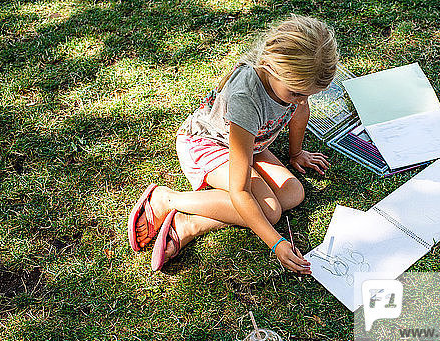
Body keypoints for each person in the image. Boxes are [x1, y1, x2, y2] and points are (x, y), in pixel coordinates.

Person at [127, 15, 339, 273]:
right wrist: (276, 243)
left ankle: (191, 223)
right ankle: (167, 199)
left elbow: (301, 110)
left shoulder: (295, 86)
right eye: (296, 93)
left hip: (251, 144)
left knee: (293, 193)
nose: (300, 100)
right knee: (270, 211)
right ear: (273, 67)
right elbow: (240, 191)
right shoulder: (246, 100)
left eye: (307, 94)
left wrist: (296, 153)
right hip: (207, 145)